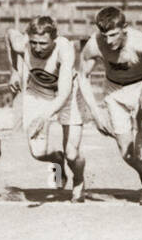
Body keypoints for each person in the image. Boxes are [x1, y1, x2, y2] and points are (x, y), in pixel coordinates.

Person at [77, 7, 142, 205]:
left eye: (114, 35)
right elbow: (82, 76)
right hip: (114, 91)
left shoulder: (140, 42)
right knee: (126, 154)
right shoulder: (94, 44)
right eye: (104, 35)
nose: (109, 41)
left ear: (124, 28)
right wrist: (95, 111)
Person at [9, 16, 87, 201]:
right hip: (38, 92)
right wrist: (13, 69)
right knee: (38, 152)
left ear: (54, 38)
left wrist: (44, 116)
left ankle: (79, 180)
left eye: (43, 43)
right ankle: (57, 162)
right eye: (34, 42)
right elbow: (9, 34)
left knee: (72, 153)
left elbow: (63, 93)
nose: (37, 48)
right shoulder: (22, 44)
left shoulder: (65, 50)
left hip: (67, 94)